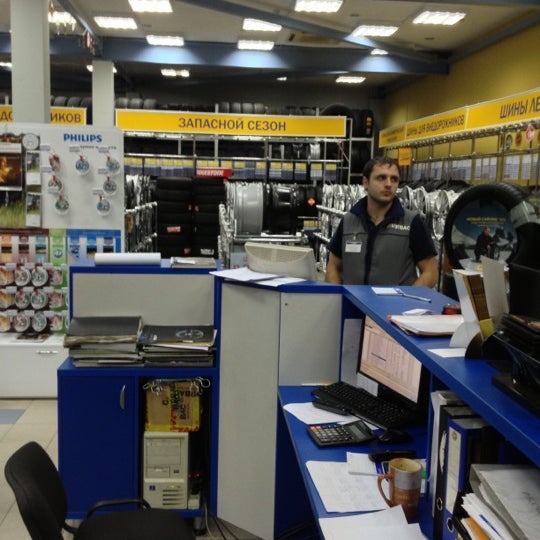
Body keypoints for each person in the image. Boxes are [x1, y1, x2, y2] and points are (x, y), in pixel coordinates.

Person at [325, 156, 438, 286]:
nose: (388, 184)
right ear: (366, 182)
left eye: (394, 179)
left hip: (394, 300)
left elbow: (430, 272)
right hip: (352, 299)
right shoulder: (348, 221)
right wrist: (338, 295)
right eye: (381, 178)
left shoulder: (412, 222)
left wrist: (407, 297)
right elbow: (333, 266)